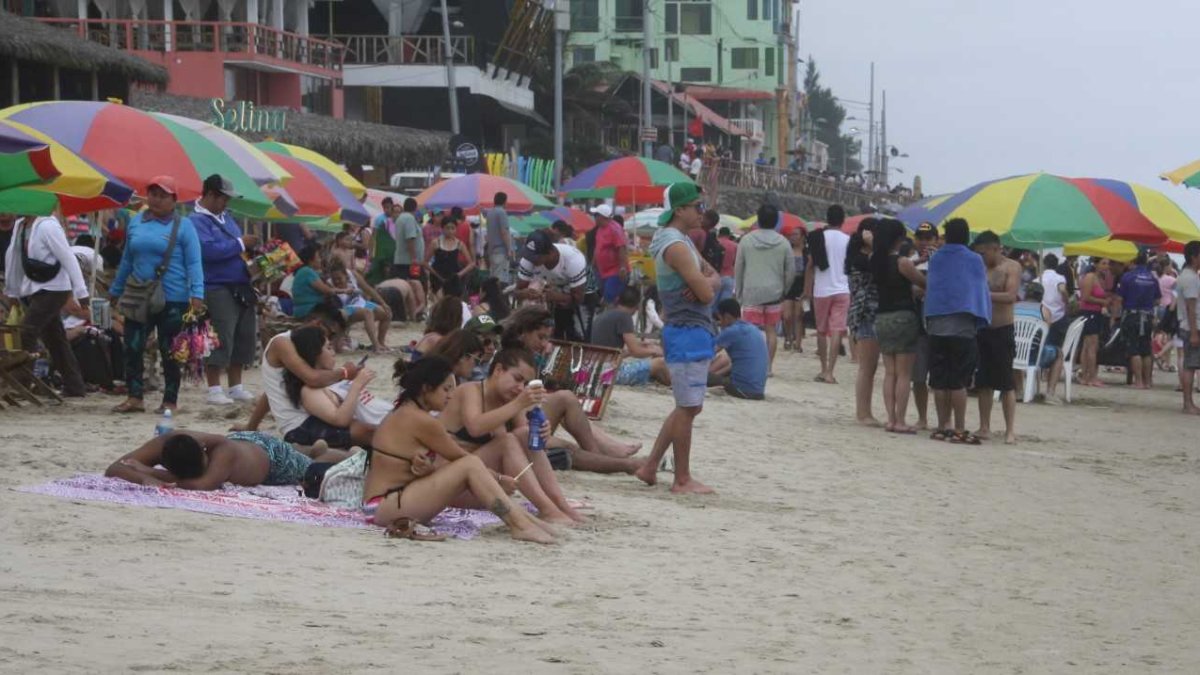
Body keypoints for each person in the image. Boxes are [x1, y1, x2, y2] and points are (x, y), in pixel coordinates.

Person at [366, 356, 557, 544]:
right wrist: (499, 478)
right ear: (426, 389)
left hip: (386, 502)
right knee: (470, 465)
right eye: (446, 389)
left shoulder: (406, 410)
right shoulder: (422, 421)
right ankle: (521, 525)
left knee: (472, 466)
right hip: (385, 506)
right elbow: (460, 457)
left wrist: (428, 469)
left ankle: (527, 521)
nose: (450, 395)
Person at [635, 183, 719, 494]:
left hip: (687, 329)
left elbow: (712, 278)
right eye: (696, 206)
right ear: (679, 210)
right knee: (687, 407)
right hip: (688, 331)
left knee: (688, 406)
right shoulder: (677, 246)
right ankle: (681, 478)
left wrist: (708, 281)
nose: (701, 211)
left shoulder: (676, 240)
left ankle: (649, 466)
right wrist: (708, 282)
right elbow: (709, 289)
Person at [109, 176, 205, 414]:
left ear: (174, 199)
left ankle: (170, 400)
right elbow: (127, 260)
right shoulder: (136, 222)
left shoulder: (184, 226)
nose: (157, 200)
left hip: (174, 297)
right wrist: (116, 290)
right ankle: (135, 396)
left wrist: (197, 293)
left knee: (170, 350)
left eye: (163, 196)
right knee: (132, 345)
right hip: (139, 294)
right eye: (153, 194)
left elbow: (194, 263)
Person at [499, 305, 643, 460]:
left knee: (566, 400)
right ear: (522, 332)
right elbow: (518, 410)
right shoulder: (514, 360)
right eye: (540, 337)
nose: (544, 344)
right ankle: (598, 453)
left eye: (547, 338)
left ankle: (602, 449)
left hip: (520, 419)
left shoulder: (521, 354)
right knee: (565, 399)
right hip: (515, 426)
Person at [233, 304, 365, 437]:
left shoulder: (303, 345)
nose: (329, 341)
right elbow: (312, 378)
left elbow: (273, 389)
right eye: (331, 334)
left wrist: (251, 426)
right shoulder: (283, 343)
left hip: (315, 415)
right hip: (302, 423)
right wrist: (344, 372)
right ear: (318, 324)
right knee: (368, 432)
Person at [2, 211, 90, 398]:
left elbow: (68, 258)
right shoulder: (21, 225)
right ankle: (74, 386)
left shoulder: (49, 226)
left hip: (54, 289)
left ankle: (22, 382)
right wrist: (12, 291)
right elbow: (14, 260)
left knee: (27, 330)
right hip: (34, 288)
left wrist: (81, 292)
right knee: (55, 339)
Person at [191, 174, 259, 406]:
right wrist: (241, 243)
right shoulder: (196, 221)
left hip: (240, 283)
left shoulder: (227, 218)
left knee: (243, 336)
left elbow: (236, 250)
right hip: (216, 285)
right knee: (220, 337)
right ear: (210, 194)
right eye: (223, 198)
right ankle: (214, 388)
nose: (226, 203)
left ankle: (236, 385)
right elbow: (208, 251)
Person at [924, 218, 991, 444]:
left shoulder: (936, 258)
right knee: (959, 381)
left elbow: (933, 287)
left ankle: (943, 425)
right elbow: (980, 290)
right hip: (963, 327)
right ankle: (960, 427)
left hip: (936, 325)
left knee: (940, 380)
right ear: (967, 236)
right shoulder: (974, 260)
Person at [105, 430, 349, 490]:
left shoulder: (222, 452)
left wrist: (149, 474)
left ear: (203, 451)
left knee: (315, 469)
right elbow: (113, 468)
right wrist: (142, 474)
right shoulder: (165, 441)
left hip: (272, 458)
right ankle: (309, 448)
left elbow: (201, 485)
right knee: (300, 452)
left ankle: (343, 453)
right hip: (249, 446)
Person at [281, 325, 377, 448]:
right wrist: (357, 385)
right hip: (321, 433)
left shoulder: (329, 380)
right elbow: (340, 420)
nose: (333, 352)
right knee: (369, 431)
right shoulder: (309, 390)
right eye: (328, 348)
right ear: (314, 353)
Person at [871, 219, 926, 434]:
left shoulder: (877, 261)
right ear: (898, 239)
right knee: (904, 373)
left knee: (890, 372)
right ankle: (901, 420)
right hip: (903, 316)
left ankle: (891, 419)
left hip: (882, 317)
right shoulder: (903, 262)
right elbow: (922, 283)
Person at [734, 203, 794, 377]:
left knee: (750, 331)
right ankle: (767, 368)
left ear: (758, 220)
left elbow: (739, 268)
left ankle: (751, 364)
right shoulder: (783, 243)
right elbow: (790, 271)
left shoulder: (746, 240)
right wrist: (784, 290)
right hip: (774, 292)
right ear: (776, 221)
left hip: (751, 291)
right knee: (771, 331)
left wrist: (739, 291)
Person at [973, 231, 1020, 444]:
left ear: (995, 248)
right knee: (983, 381)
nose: (981, 257)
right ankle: (984, 426)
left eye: (983, 253)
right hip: (982, 328)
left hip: (1002, 328)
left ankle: (1010, 430)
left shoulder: (1011, 267)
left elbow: (1010, 296)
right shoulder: (978, 267)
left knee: (1006, 382)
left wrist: (981, 293)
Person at [806, 204, 851, 384]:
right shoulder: (848, 240)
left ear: (827, 218)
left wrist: (806, 290)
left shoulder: (818, 238)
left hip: (822, 289)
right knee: (836, 331)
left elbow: (811, 265)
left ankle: (823, 369)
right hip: (842, 289)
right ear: (843, 220)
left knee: (821, 331)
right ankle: (831, 372)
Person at [514, 230, 588, 341]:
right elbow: (516, 292)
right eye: (529, 255)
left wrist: (557, 297)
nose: (530, 259)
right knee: (554, 332)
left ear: (549, 253)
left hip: (581, 287)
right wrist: (524, 293)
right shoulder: (528, 260)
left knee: (579, 333)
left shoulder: (573, 260)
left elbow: (579, 299)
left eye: (535, 257)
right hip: (555, 285)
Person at [591, 286, 668, 387]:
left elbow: (615, 353)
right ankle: (678, 386)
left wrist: (639, 347)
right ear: (637, 306)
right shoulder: (624, 317)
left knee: (654, 367)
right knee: (660, 362)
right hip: (609, 375)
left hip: (594, 372)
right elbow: (636, 351)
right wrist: (654, 350)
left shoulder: (604, 315)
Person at [846, 218, 880, 425]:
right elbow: (878, 268)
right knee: (867, 367)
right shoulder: (860, 258)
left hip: (867, 312)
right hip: (866, 312)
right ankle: (863, 412)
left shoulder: (861, 256)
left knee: (870, 367)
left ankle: (865, 411)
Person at [1117, 251, 1161, 390]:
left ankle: (1138, 382)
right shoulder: (1152, 278)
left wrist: (1115, 316)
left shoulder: (1127, 277)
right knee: (1146, 350)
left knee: (1134, 349)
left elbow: (1119, 299)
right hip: (1147, 316)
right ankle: (1147, 382)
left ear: (1133, 261)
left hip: (1132, 315)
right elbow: (1158, 299)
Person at [910, 222, 939, 428]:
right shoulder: (911, 261)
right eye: (920, 238)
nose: (924, 242)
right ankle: (922, 418)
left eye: (928, 238)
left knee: (938, 378)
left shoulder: (943, 261)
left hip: (938, 325)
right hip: (917, 326)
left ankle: (941, 419)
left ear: (936, 240)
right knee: (918, 377)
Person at [712, 299, 768, 400]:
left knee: (702, 375)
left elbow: (706, 353)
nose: (719, 322)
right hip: (758, 391)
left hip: (742, 390)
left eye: (720, 318)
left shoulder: (731, 331)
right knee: (727, 365)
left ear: (727, 316)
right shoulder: (753, 328)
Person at [1078, 258, 1112, 387]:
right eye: (1103, 263)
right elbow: (1085, 297)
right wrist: (1102, 302)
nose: (1106, 266)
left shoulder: (1100, 279)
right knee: (1091, 346)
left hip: (1096, 313)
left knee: (1089, 346)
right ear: (1095, 264)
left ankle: (1086, 376)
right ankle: (1090, 376)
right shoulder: (1090, 277)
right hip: (1089, 313)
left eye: (1107, 263)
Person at [425, 213, 475, 299]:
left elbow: (471, 263)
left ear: (456, 229)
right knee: (440, 302)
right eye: (447, 228)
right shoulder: (435, 243)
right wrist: (435, 273)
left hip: (453, 278)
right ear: (442, 228)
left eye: (453, 228)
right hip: (438, 278)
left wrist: (459, 274)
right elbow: (425, 262)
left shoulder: (459, 244)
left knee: (453, 302)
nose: (450, 231)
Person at [1176, 241, 1200, 414]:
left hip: (1190, 325)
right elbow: (1191, 308)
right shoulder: (1190, 278)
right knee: (1190, 366)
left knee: (1190, 365)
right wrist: (1193, 333)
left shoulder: (1189, 275)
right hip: (1193, 326)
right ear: (1194, 257)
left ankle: (1188, 403)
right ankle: (1188, 403)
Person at [391, 198, 426, 313]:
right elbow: (410, 238)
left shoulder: (400, 218)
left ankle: (409, 310)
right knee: (417, 286)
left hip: (402, 259)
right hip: (408, 261)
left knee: (407, 286)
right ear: (415, 208)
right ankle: (416, 311)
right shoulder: (409, 218)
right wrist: (414, 258)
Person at [590, 204, 629, 304]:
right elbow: (598, 247)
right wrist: (593, 264)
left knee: (610, 298)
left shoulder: (614, 229)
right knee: (605, 296)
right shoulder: (600, 229)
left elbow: (621, 247)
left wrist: (622, 267)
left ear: (601, 216)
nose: (594, 217)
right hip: (603, 271)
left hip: (615, 271)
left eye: (595, 215)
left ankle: (611, 316)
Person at [781, 225, 807, 352]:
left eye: (796, 234)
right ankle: (788, 337)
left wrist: (808, 289)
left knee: (798, 315)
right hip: (788, 284)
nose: (793, 237)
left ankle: (798, 342)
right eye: (792, 234)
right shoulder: (787, 250)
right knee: (787, 315)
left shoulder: (807, 252)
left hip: (801, 284)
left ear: (802, 237)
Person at [484, 192, 513, 283]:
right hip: (501, 251)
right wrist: (509, 249)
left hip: (491, 251)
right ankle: (498, 297)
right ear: (504, 201)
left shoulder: (490, 213)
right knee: (500, 280)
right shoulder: (502, 212)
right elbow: (504, 232)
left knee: (493, 278)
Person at [367, 197, 395, 284]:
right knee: (383, 272)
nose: (386, 210)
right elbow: (373, 237)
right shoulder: (379, 219)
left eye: (388, 207)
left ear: (392, 206)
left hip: (394, 251)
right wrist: (371, 253)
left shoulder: (397, 218)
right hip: (382, 251)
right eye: (384, 208)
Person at [716, 226, 738, 304]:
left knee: (711, 304)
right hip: (729, 276)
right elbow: (736, 262)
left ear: (719, 234)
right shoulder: (735, 246)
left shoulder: (716, 242)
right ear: (728, 235)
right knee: (724, 304)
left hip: (715, 275)